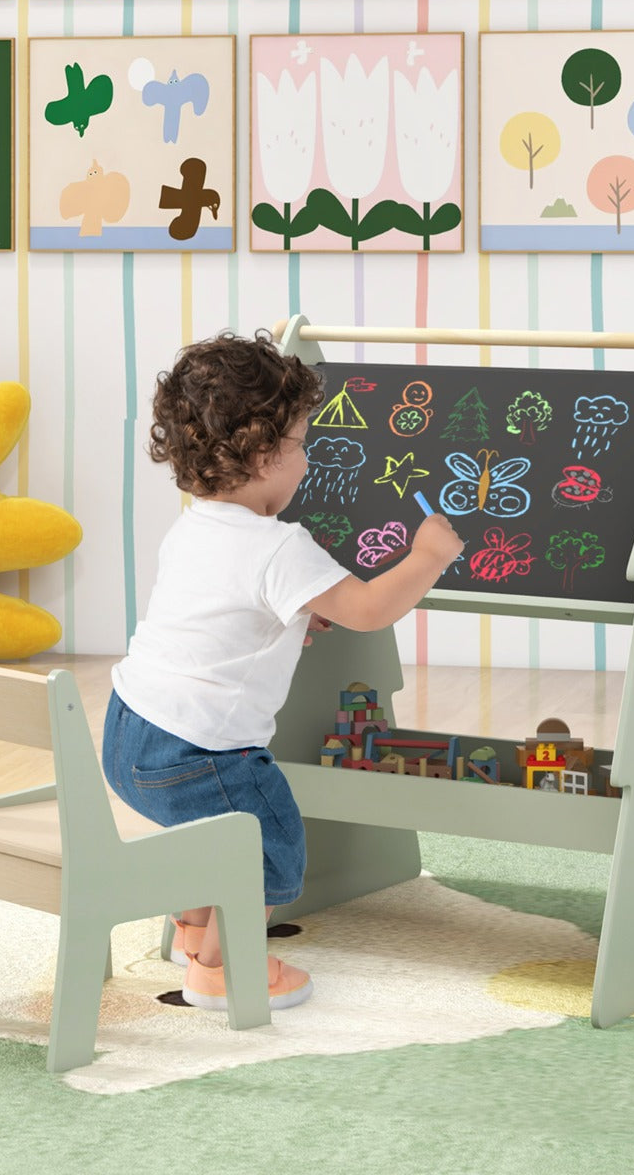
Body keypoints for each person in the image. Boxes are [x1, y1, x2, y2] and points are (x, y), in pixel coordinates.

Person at [103, 331, 465, 1008]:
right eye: (301, 444)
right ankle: (223, 970)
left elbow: (223, 616)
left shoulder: (193, 526)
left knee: (203, 834)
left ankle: (193, 929)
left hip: (129, 734)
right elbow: (368, 609)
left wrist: (293, 617)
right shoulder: (279, 547)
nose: (306, 460)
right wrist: (427, 557)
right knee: (269, 847)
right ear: (264, 455)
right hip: (202, 750)